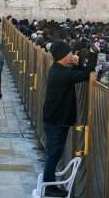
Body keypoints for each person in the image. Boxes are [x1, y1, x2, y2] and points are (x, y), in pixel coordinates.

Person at [42, 40, 97, 197]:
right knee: (54, 154)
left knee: (54, 154)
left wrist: (78, 63)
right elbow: (86, 74)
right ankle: (48, 187)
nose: (72, 55)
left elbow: (77, 74)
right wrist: (93, 54)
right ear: (63, 56)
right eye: (69, 54)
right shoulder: (61, 73)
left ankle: (49, 183)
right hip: (56, 121)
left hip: (55, 120)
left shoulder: (59, 70)